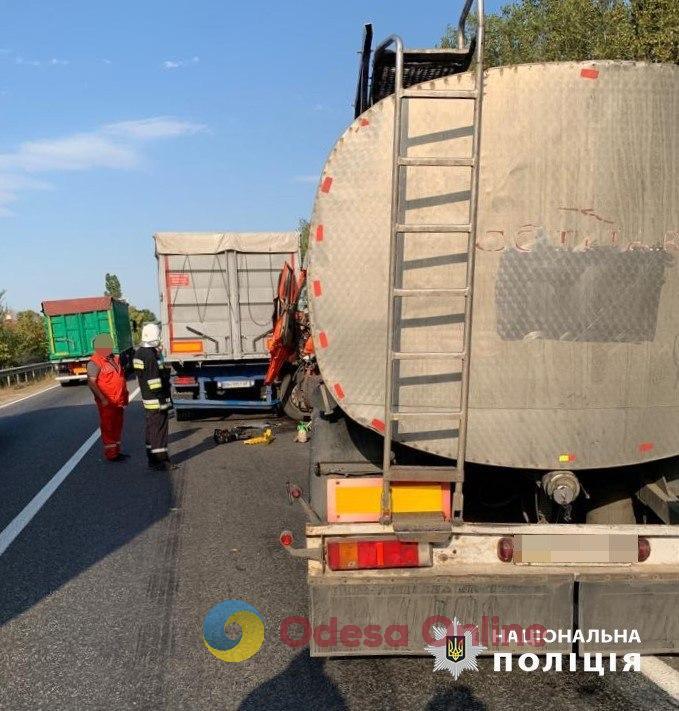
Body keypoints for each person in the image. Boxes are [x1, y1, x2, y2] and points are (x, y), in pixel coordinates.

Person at [134, 323, 175, 470]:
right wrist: (163, 398)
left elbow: (143, 376)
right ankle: (161, 460)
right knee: (159, 430)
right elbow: (154, 381)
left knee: (151, 429)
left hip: (147, 398)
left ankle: (152, 458)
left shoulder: (139, 353)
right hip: (156, 399)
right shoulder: (150, 355)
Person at [87, 333, 129, 462]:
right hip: (107, 401)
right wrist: (103, 399)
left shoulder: (115, 359)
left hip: (118, 400)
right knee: (109, 426)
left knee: (117, 425)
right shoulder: (94, 362)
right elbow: (91, 382)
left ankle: (116, 451)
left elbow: (121, 378)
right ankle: (111, 454)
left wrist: (125, 395)